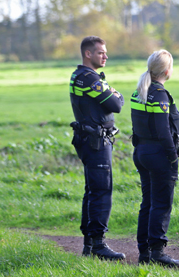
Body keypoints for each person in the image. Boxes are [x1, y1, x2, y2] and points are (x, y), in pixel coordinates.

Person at [69, 36, 125, 260]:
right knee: (101, 190)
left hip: (89, 140)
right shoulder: (89, 79)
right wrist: (113, 91)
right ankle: (98, 245)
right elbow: (116, 104)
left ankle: (89, 245)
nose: (106, 56)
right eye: (101, 52)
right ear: (88, 54)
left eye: (105, 52)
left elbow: (112, 99)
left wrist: (110, 91)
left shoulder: (79, 75)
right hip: (96, 141)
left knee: (92, 190)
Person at [131, 50, 179, 268]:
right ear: (167, 70)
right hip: (158, 155)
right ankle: (158, 252)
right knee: (161, 204)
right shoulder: (160, 94)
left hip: (141, 152)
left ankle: (144, 250)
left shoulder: (139, 92)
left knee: (148, 202)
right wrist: (173, 156)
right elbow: (163, 131)